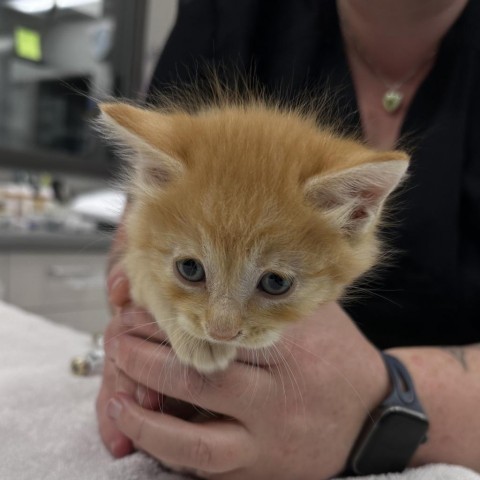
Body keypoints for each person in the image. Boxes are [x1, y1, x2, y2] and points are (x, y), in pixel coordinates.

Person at [96, 0, 480, 478]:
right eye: (191, 268)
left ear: (358, 210)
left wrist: (383, 401)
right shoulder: (228, 13)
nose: (222, 326)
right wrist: (142, 306)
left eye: (275, 282)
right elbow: (137, 243)